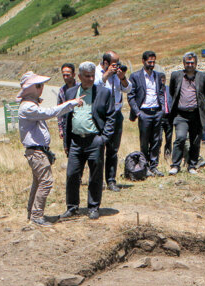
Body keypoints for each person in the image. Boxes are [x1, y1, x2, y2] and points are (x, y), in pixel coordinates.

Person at [17, 71, 83, 227]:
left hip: (38, 151)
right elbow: (49, 113)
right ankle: (37, 215)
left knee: (38, 182)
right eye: (39, 86)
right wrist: (71, 103)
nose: (42, 88)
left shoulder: (30, 105)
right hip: (36, 152)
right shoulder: (28, 107)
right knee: (45, 182)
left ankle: (32, 213)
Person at [60, 62, 115, 220]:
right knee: (72, 174)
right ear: (79, 77)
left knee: (95, 176)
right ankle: (72, 207)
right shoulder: (71, 92)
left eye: (92, 76)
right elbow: (66, 119)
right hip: (76, 141)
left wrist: (103, 138)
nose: (90, 79)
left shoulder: (103, 93)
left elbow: (111, 117)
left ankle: (93, 206)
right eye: (87, 76)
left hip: (94, 141)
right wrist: (66, 143)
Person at [168, 52, 205, 175]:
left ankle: (192, 166)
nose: (190, 65)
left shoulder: (203, 76)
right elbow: (172, 91)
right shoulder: (176, 76)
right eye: (188, 62)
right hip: (181, 115)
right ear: (184, 63)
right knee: (180, 138)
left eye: (192, 63)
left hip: (196, 115)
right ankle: (175, 165)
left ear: (196, 64)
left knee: (195, 141)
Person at [94, 51, 131, 192]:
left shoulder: (117, 75)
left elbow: (128, 89)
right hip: (101, 115)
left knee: (113, 150)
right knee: (98, 149)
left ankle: (111, 180)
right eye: (114, 64)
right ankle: (98, 181)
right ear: (105, 63)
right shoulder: (96, 72)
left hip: (116, 113)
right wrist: (106, 75)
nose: (117, 67)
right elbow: (95, 87)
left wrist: (122, 78)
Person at [128, 50, 165, 177]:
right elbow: (131, 96)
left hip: (157, 111)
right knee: (144, 142)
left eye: (154, 62)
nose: (152, 64)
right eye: (149, 62)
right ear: (143, 61)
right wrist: (138, 112)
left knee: (156, 140)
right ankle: (144, 167)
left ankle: (154, 166)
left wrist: (162, 109)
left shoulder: (158, 76)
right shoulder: (135, 76)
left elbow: (161, 92)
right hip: (144, 113)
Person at [57, 63, 78, 147]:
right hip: (67, 125)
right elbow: (59, 111)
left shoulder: (80, 87)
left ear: (73, 74)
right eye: (63, 75)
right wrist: (61, 129)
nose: (65, 77)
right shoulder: (62, 91)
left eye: (68, 75)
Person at [159, 72, 173, 160]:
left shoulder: (169, 89)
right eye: (161, 80)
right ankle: (157, 154)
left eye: (164, 80)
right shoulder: (156, 90)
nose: (162, 82)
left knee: (169, 138)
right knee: (158, 138)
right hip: (159, 117)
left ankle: (167, 155)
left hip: (169, 117)